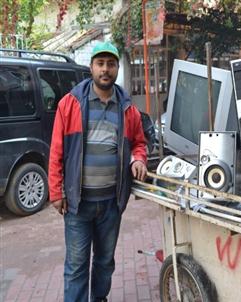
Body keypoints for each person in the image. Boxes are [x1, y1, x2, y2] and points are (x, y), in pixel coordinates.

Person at [48, 41, 147, 302]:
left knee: (104, 262)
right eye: (100, 64)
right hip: (78, 204)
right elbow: (57, 151)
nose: (106, 70)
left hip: (111, 204)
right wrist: (56, 191)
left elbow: (139, 142)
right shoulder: (69, 104)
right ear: (91, 67)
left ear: (116, 69)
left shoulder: (128, 108)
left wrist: (139, 159)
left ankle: (99, 298)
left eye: (111, 64)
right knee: (76, 266)